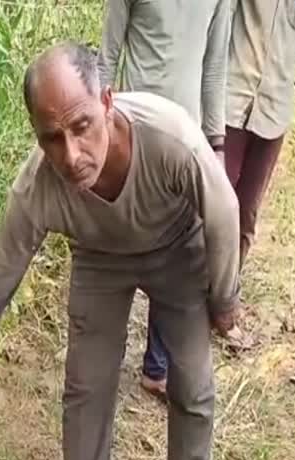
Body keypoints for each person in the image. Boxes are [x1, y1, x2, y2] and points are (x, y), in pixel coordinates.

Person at [0, 42, 241, 460]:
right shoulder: (38, 187)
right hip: (99, 260)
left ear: (106, 101)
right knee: (86, 388)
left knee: (194, 384)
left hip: (177, 248)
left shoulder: (169, 138)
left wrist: (224, 298)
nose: (72, 154)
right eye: (51, 138)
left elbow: (223, 210)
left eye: (82, 126)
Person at [96, 0, 232, 402]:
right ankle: (101, 361)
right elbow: (107, 55)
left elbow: (214, 66)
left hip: (185, 143)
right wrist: (99, 133)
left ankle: (156, 367)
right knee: (115, 246)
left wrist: (216, 142)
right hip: (131, 135)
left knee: (174, 250)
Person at [225, 0, 295, 271]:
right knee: (211, 208)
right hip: (227, 102)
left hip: (273, 114)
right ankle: (186, 298)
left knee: (245, 216)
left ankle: (222, 297)